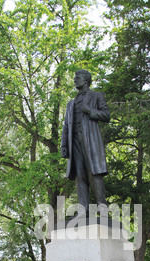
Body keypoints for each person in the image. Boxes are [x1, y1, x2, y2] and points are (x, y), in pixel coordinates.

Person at [61, 70, 110, 216]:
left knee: (95, 173)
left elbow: (106, 115)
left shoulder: (96, 96)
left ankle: (102, 207)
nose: (75, 80)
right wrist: (64, 145)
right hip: (74, 141)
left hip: (91, 140)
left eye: (78, 78)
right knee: (80, 174)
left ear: (86, 80)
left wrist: (90, 111)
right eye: (74, 78)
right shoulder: (71, 104)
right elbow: (66, 126)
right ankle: (83, 209)